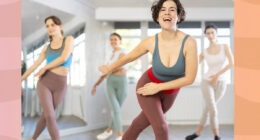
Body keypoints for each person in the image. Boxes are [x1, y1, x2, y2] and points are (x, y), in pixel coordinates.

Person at [99, 0, 198, 139]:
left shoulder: (189, 43)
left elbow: (190, 78)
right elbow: (128, 58)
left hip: (169, 92)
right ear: (157, 17)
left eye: (172, 9)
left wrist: (159, 87)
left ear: (179, 16)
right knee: (161, 127)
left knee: (139, 124)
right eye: (162, 10)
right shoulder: (151, 42)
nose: (167, 12)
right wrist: (109, 68)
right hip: (148, 86)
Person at [21, 15, 74, 140]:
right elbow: (34, 66)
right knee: (50, 116)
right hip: (45, 82)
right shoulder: (46, 48)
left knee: (46, 116)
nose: (50, 28)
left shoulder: (69, 40)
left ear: (60, 26)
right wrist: (20, 79)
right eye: (47, 26)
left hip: (61, 84)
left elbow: (64, 58)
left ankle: (33, 138)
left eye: (53, 25)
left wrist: (45, 67)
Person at [185, 24, 234, 140]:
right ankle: (217, 136)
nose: (211, 35)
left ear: (216, 33)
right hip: (207, 82)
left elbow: (231, 63)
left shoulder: (225, 46)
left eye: (212, 32)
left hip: (221, 82)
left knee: (208, 108)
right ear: (205, 35)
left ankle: (197, 133)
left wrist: (217, 75)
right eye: (208, 33)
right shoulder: (204, 51)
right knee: (212, 108)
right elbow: (194, 63)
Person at [91, 33, 128, 140]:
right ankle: (122, 136)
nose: (113, 41)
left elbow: (118, 66)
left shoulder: (123, 52)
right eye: (111, 40)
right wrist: (96, 84)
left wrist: (106, 68)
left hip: (122, 81)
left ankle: (108, 130)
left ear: (120, 40)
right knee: (115, 109)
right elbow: (106, 73)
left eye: (115, 39)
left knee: (116, 109)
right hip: (110, 82)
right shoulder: (111, 55)